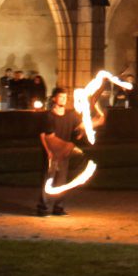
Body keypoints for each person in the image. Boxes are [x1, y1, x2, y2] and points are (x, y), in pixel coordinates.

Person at [37, 88, 84, 217]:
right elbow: (43, 135)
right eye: (60, 97)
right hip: (52, 154)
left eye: (65, 97)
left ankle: (58, 208)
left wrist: (82, 132)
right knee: (48, 180)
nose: (63, 99)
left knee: (61, 182)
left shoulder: (71, 115)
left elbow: (79, 129)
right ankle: (43, 208)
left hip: (64, 153)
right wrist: (48, 152)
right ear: (54, 98)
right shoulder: (48, 116)